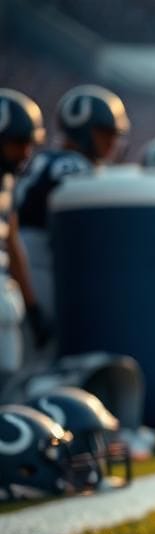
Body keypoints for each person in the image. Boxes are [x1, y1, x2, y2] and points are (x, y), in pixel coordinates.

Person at [15, 85, 130, 327]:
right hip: (40, 267)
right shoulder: (72, 166)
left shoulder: (46, 159)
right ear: (85, 130)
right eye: (106, 133)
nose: (112, 142)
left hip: (28, 262)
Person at [0, 89, 47, 380]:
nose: (26, 153)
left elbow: (12, 241)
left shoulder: (7, 183)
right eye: (18, 143)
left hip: (5, 298)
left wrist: (32, 306)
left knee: (9, 381)